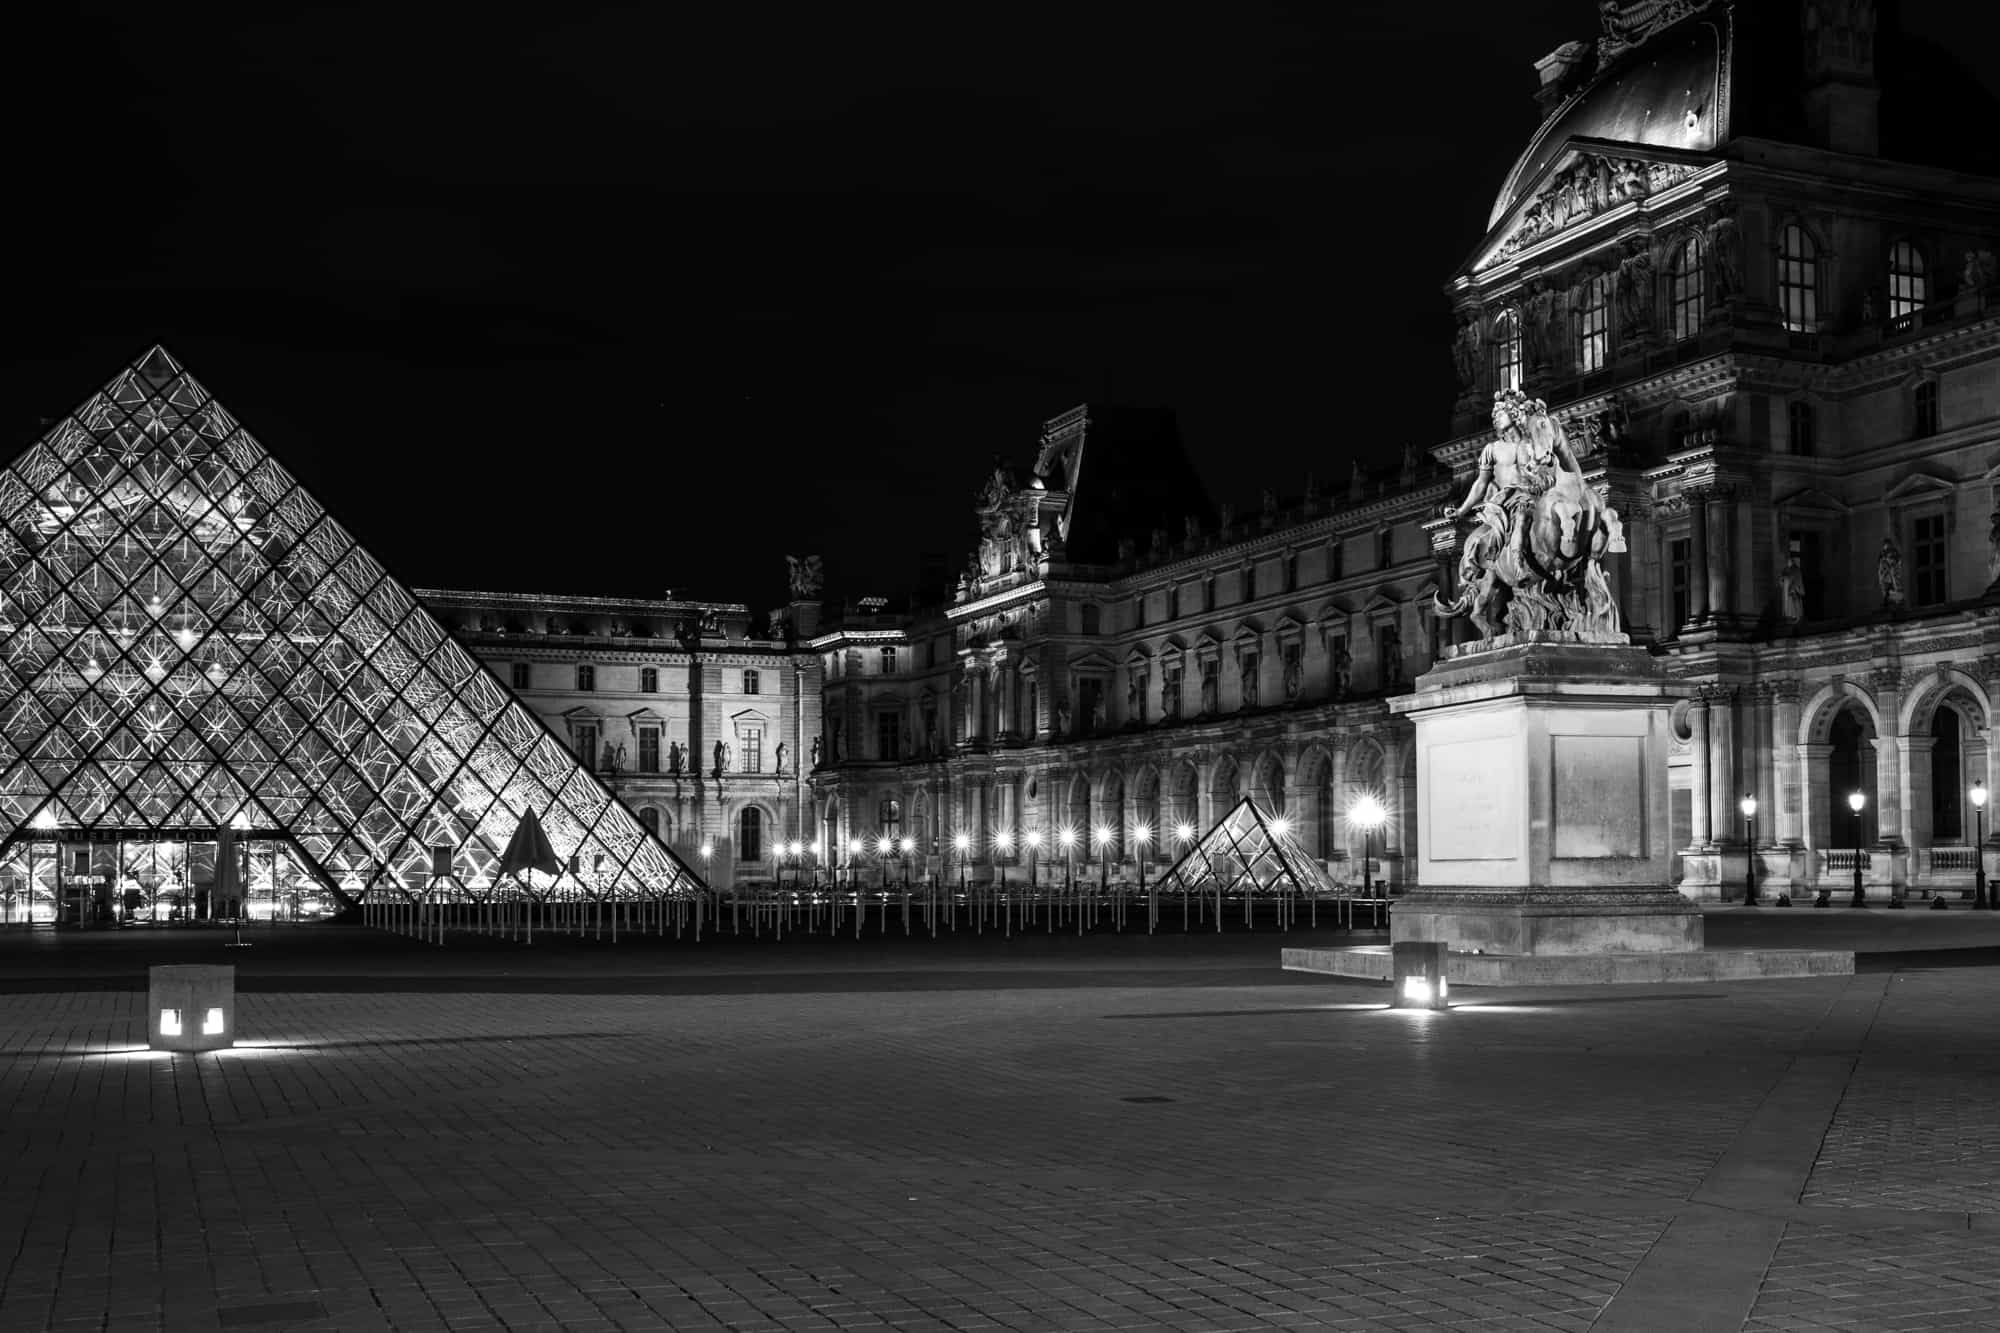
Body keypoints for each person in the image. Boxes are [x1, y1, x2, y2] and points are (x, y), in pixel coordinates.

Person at [1446, 388, 1588, 596]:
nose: (1495, 417)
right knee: (1520, 516)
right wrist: (1461, 510)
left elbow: (1549, 467)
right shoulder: (1492, 449)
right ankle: (1517, 563)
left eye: (1499, 413)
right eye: (1494, 414)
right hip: (1508, 500)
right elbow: (1480, 484)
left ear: (1513, 414)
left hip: (1534, 494)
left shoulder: (1532, 443)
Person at [1780, 554, 1806, 624]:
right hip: (1788, 591)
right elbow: (1783, 577)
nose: (1787, 563)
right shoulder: (1787, 569)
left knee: (1796, 604)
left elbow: (1796, 579)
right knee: (1790, 605)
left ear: (1791, 561)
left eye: (1788, 562)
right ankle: (1792, 617)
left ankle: (1797, 617)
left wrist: (1794, 588)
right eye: (1787, 562)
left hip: (1794, 590)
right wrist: (1783, 580)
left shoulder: (1795, 569)